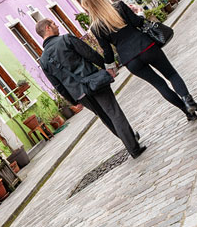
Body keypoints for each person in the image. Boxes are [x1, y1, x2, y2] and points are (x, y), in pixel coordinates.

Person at [80, 0, 197, 121]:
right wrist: (139, 12)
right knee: (171, 74)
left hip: (129, 60)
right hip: (146, 47)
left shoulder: (96, 28)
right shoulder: (119, 6)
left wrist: (110, 68)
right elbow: (138, 23)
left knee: (160, 85)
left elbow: (107, 51)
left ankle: (188, 113)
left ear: (88, 9)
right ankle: (189, 101)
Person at [35, 18, 145, 159]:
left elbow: (57, 85)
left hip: (80, 94)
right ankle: (134, 147)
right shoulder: (66, 39)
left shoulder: (43, 60)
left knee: (105, 117)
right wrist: (107, 67)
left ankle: (129, 138)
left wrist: (73, 101)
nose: (57, 26)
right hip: (94, 82)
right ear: (47, 28)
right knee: (114, 113)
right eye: (54, 24)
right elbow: (90, 54)